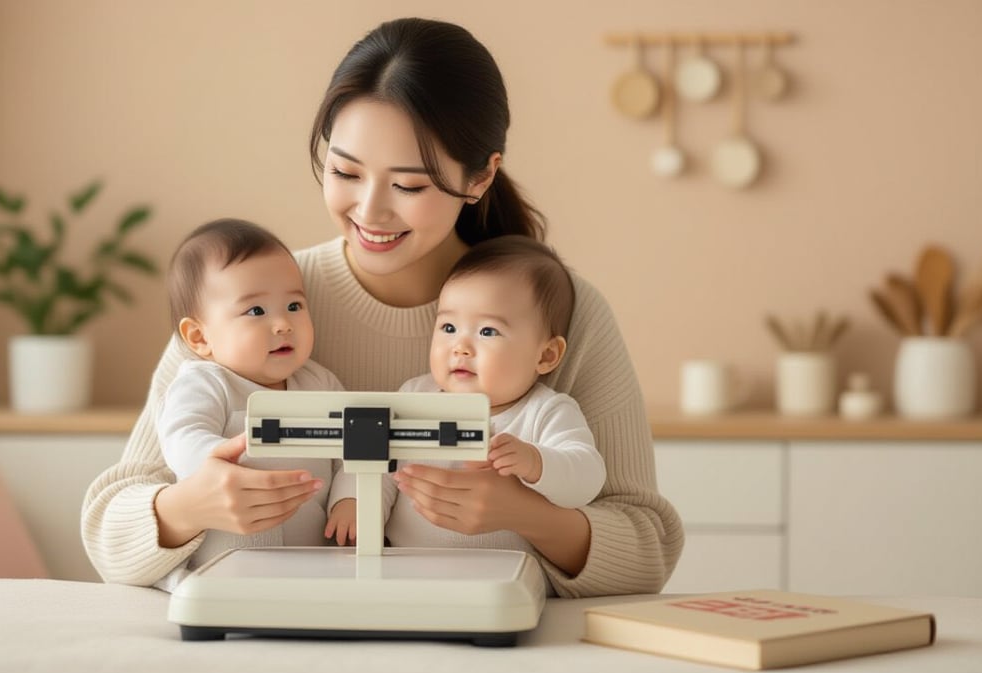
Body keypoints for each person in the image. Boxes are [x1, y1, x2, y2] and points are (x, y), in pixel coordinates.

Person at [82, 17, 683, 598]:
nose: (369, 212)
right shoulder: (252, 301)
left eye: (410, 185)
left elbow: (648, 546)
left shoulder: (559, 313)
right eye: (345, 171)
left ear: (481, 177)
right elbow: (110, 529)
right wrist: (189, 506)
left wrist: (528, 515)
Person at [326, 236, 607, 546]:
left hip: (503, 576)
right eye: (448, 328)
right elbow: (376, 464)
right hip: (406, 570)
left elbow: (587, 478)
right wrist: (353, 503)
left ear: (546, 355)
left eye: (488, 331)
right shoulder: (415, 398)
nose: (460, 347)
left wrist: (536, 462)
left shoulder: (545, 412)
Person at [153, 218, 345, 588]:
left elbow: (354, 452)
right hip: (224, 561)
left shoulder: (322, 385)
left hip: (312, 565)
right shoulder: (206, 383)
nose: (282, 325)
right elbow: (180, 434)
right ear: (199, 336)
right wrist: (216, 459)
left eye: (294, 305)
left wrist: (347, 501)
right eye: (256, 311)